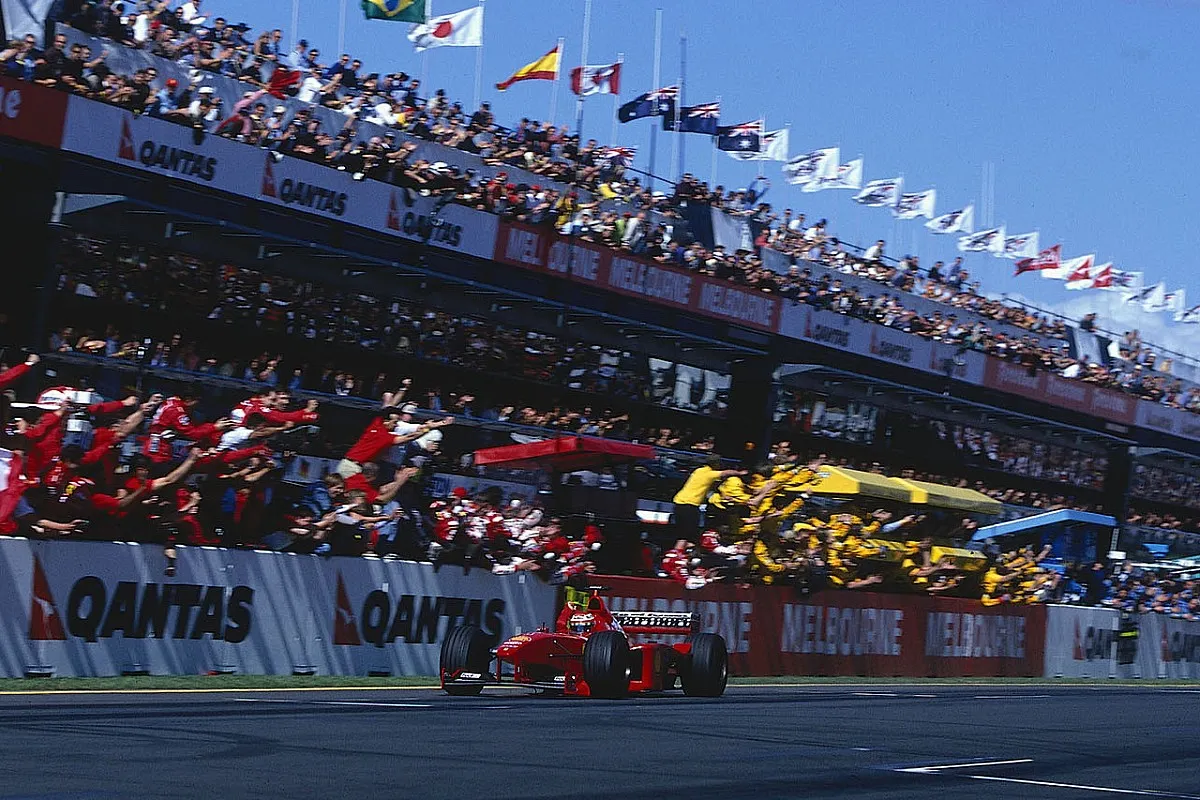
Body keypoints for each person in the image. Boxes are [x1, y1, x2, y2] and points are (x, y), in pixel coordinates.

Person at [671, 457, 745, 542]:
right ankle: (678, 552)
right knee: (687, 535)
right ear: (715, 464)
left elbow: (710, 487)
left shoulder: (699, 471)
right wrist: (740, 473)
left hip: (679, 502)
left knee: (683, 534)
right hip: (689, 504)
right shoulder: (709, 474)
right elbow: (726, 473)